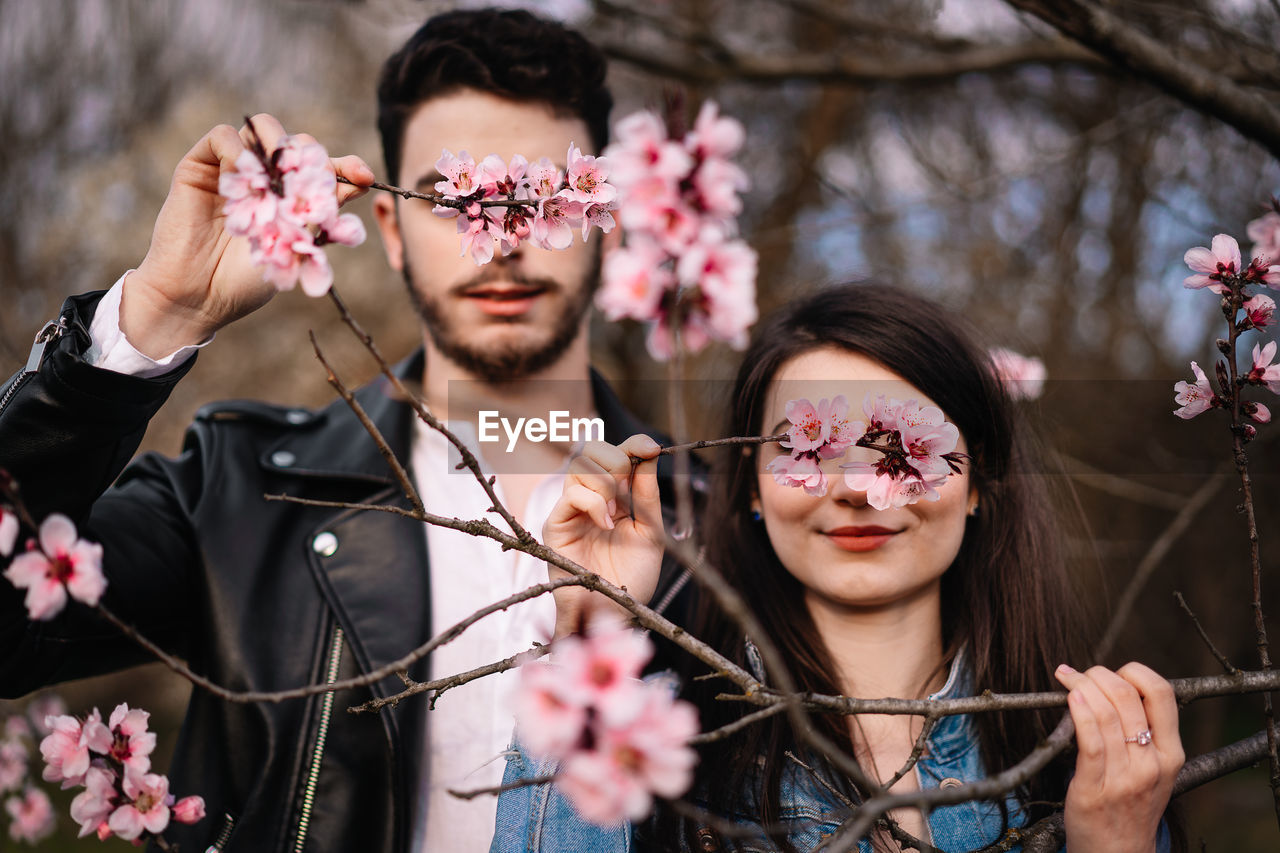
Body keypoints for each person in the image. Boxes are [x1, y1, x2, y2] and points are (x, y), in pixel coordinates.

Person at [0, 9, 697, 853]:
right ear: (394, 231)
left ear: (603, 222)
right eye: (457, 199)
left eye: (540, 195)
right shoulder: (242, 490)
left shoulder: (728, 523)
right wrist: (151, 319)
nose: (505, 242)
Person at [492, 282, 1185, 852]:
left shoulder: (1092, 758)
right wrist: (589, 640)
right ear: (755, 487)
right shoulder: (659, 744)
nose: (856, 486)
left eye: (900, 448)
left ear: (976, 480)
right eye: (808, 450)